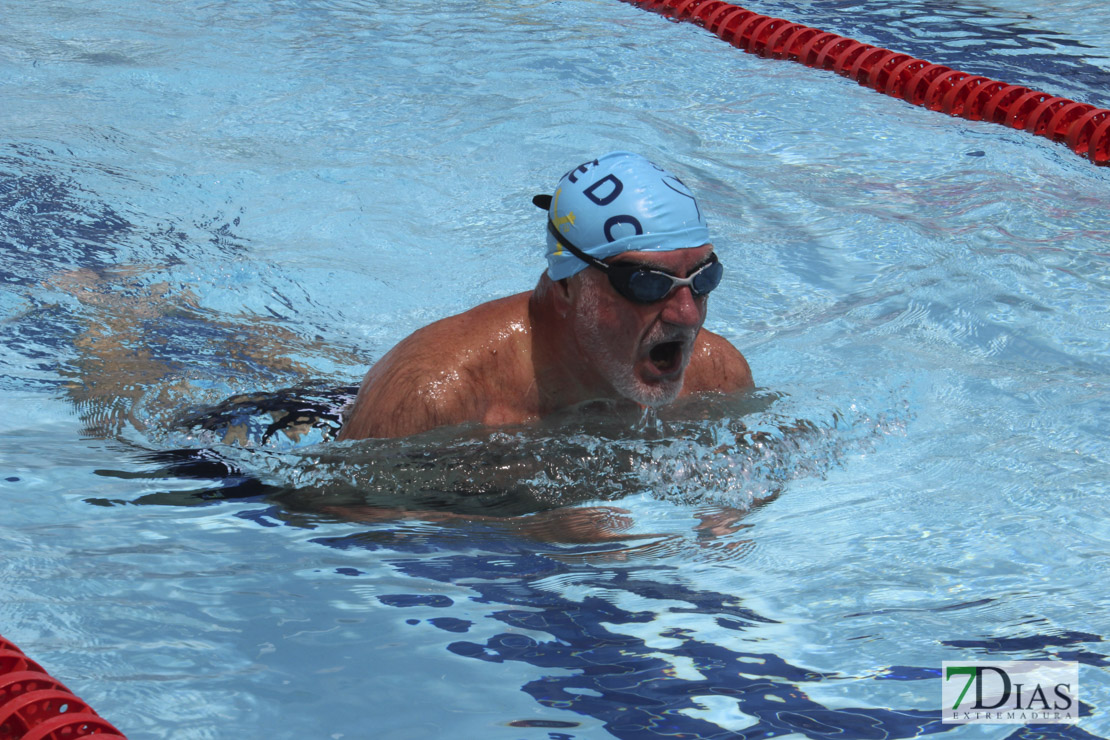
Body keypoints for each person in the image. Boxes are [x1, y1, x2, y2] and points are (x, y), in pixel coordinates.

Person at [339, 151, 752, 441]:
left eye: (703, 278)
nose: (687, 314)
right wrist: (535, 522)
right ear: (567, 285)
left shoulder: (719, 379)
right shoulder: (433, 397)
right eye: (647, 283)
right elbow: (349, 524)